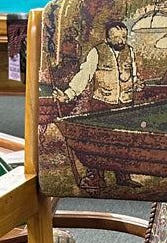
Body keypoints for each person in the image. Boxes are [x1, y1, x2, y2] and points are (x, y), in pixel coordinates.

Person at [53, 20, 139, 188]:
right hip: (103, 104)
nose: (121, 40)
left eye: (124, 37)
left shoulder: (130, 51)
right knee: (99, 144)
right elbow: (84, 75)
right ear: (107, 38)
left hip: (125, 105)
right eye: (116, 37)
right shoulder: (97, 52)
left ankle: (123, 177)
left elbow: (133, 74)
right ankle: (96, 178)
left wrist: (137, 84)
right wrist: (69, 94)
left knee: (123, 142)